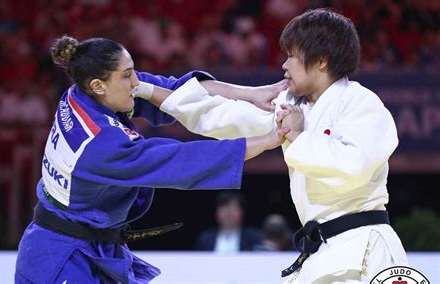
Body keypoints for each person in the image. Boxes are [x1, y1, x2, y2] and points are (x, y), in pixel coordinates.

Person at [150, 8, 408, 283]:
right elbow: (223, 117)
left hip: (366, 250)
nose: (284, 65)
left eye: (292, 56)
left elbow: (354, 168)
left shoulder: (361, 103)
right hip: (325, 250)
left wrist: (298, 136)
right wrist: (147, 91)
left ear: (321, 61)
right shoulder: (292, 106)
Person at [14, 35, 290, 283]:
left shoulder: (84, 93)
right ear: (98, 85)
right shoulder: (99, 145)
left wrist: (252, 93)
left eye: (133, 71)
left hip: (87, 241)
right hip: (61, 256)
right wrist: (267, 141)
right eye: (127, 76)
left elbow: (178, 92)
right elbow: (181, 161)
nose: (136, 82)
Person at [195, 191, 261, 252]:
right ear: (216, 213)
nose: (228, 214)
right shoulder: (205, 239)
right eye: (224, 209)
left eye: (233, 209)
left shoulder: (254, 237)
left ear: (242, 212)